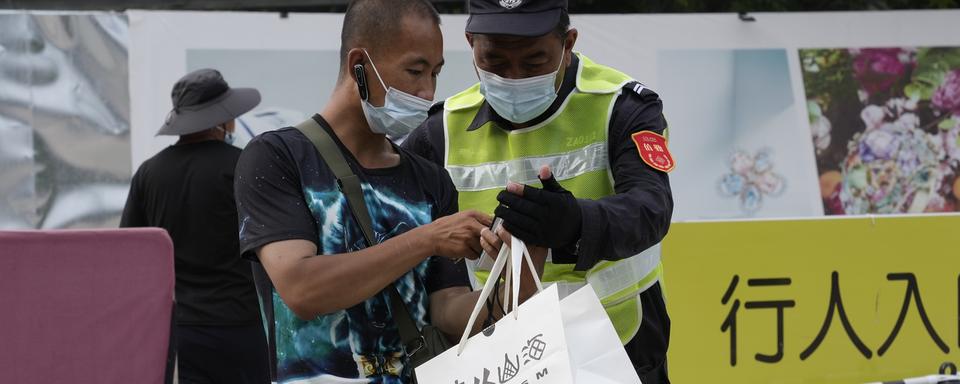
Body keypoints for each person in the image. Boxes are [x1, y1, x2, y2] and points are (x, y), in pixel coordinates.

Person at [233, 1, 543, 382]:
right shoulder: (277, 157)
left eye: (435, 73)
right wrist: (427, 238)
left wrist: (514, 280)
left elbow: (447, 311)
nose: (427, 91)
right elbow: (301, 289)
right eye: (415, 71)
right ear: (358, 64)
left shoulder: (430, 179)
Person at [401, 0, 676, 382]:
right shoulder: (440, 132)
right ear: (470, 43)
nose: (514, 77)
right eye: (495, 61)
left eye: (533, 63)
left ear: (568, 44)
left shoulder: (621, 106)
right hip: (505, 357)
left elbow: (652, 207)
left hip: (621, 345)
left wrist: (577, 225)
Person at [120, 68, 269, 384]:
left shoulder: (149, 174)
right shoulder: (243, 166)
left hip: (179, 330)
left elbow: (129, 252)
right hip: (241, 325)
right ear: (222, 121)